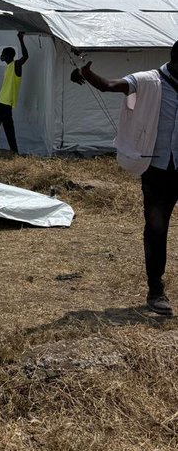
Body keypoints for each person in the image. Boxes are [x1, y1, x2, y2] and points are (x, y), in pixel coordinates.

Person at [72, 45, 178, 316]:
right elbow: (110, 85)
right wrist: (88, 74)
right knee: (156, 230)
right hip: (158, 170)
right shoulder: (148, 81)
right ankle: (156, 291)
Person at [0, 32, 29, 152]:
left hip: (5, 102)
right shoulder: (9, 66)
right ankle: (14, 151)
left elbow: (26, 57)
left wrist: (21, 39)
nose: (1, 56)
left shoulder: (16, 65)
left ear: (7, 56)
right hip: (5, 101)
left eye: (3, 54)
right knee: (8, 128)